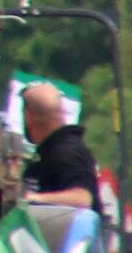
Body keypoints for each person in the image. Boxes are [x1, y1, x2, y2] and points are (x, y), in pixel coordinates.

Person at [19, 84, 100, 216]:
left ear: (28, 116)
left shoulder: (68, 152)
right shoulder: (49, 150)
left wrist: (32, 199)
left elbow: (82, 199)